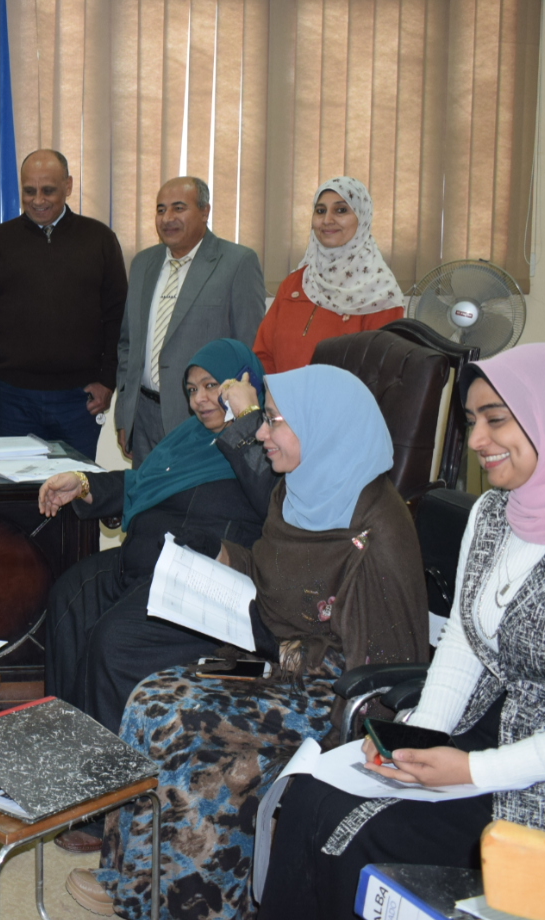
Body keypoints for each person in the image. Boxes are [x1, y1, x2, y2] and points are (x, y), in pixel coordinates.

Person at [259, 344, 545, 920]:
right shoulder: (495, 515)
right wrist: (416, 737)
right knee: (312, 799)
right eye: (472, 421)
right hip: (493, 742)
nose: (476, 440)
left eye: (496, 419)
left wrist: (475, 770)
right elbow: (465, 643)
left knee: (361, 837)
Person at [68, 364, 430, 920]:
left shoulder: (373, 533)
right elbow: (271, 571)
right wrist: (218, 554)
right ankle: (134, 880)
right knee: (151, 698)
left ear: (322, 427)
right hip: (272, 662)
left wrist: (275, 647)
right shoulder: (299, 490)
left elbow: (376, 677)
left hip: (329, 698)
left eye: (275, 421)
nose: (260, 432)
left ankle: (191, 903)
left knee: (186, 725)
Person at [39, 338, 276, 735]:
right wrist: (84, 484)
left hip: (203, 579)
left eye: (212, 385)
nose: (199, 399)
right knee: (69, 597)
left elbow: (274, 498)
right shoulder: (189, 437)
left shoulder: (267, 440)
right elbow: (142, 482)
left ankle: (109, 762)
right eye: (192, 389)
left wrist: (247, 420)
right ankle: (67, 736)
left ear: (243, 383)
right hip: (145, 564)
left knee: (112, 640)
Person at [0, 149, 128, 460]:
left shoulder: (100, 240)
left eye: (48, 190)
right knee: (13, 488)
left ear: (68, 186)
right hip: (12, 399)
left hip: (80, 400)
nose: (38, 200)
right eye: (29, 191)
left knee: (76, 487)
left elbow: (117, 318)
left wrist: (108, 380)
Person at [113, 177, 266, 464]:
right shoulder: (143, 263)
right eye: (161, 209)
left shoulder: (237, 262)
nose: (167, 218)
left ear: (205, 211)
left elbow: (249, 349)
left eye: (178, 208)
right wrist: (125, 414)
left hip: (204, 417)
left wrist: (238, 421)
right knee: (144, 491)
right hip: (143, 416)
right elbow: (128, 345)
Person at [252, 176, 403, 375]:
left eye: (341, 210)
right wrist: (272, 391)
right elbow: (263, 353)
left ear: (363, 217)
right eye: (320, 211)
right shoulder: (296, 283)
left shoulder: (379, 292)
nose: (327, 220)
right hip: (278, 394)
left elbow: (379, 373)